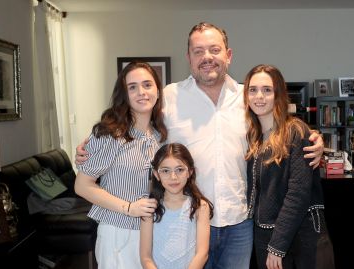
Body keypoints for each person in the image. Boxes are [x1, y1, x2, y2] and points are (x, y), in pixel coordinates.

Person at [76, 22, 325, 268]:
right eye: (198, 51)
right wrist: (95, 144)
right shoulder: (169, 98)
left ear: (228, 55)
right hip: (186, 222)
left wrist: (313, 136)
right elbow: (137, 124)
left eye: (214, 50)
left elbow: (278, 128)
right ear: (189, 57)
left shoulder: (247, 98)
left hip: (239, 225)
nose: (207, 57)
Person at [74, 62, 167, 269]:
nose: (141, 92)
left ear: (158, 92)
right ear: (124, 94)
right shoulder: (109, 133)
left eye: (147, 85)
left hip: (152, 232)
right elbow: (82, 185)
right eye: (132, 87)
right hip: (119, 232)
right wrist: (128, 208)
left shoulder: (160, 135)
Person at [244, 64, 334, 269]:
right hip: (264, 235)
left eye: (267, 90)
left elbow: (298, 194)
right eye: (253, 89)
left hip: (298, 237)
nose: (259, 96)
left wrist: (277, 246)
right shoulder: (253, 136)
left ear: (279, 94)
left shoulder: (296, 131)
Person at [140, 143, 213, 269]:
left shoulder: (200, 207)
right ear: (157, 174)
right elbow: (145, 256)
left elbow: (202, 254)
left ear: (190, 171)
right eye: (166, 171)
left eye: (179, 170)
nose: (173, 177)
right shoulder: (149, 208)